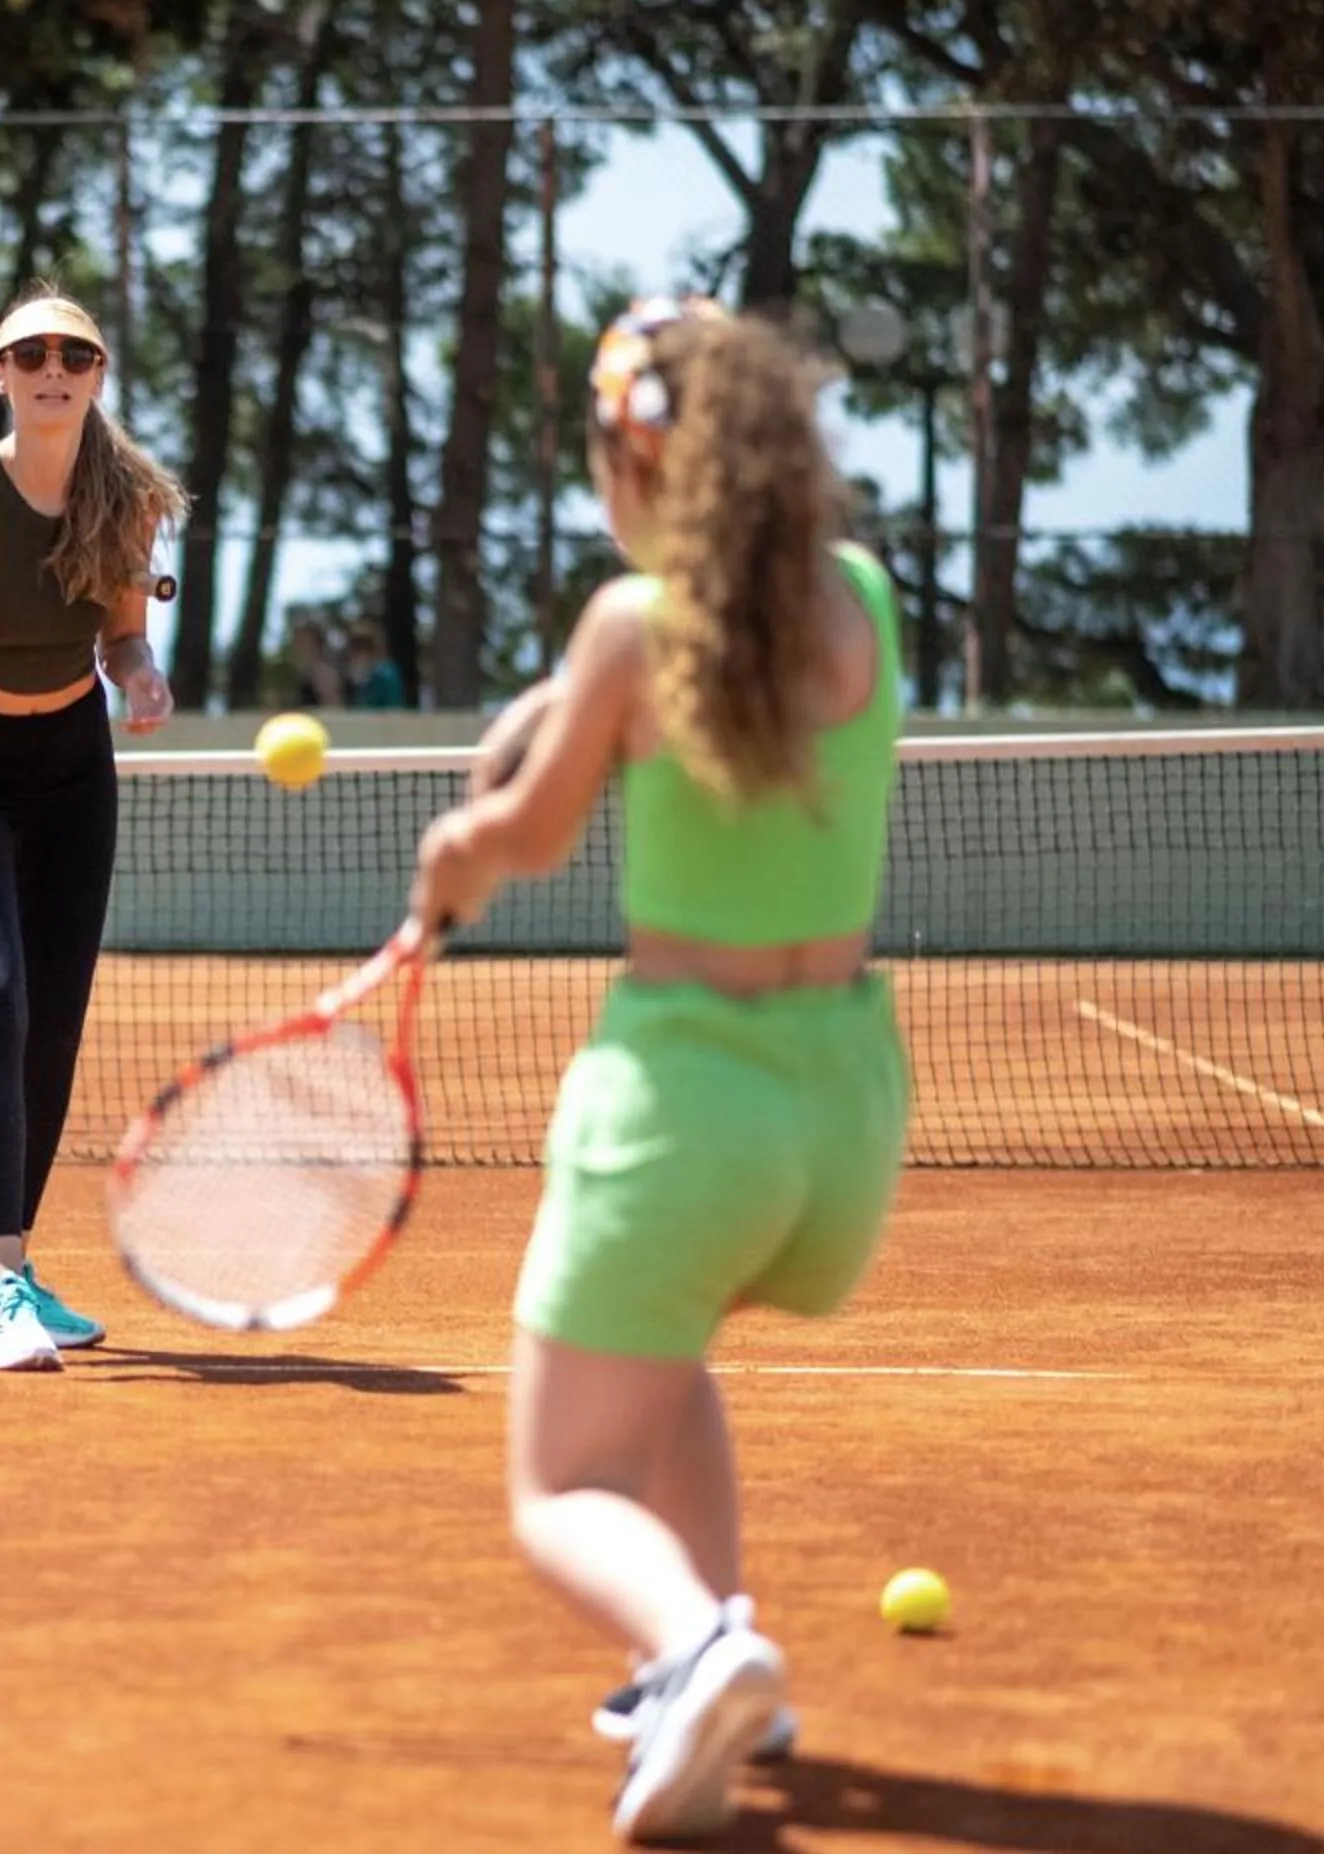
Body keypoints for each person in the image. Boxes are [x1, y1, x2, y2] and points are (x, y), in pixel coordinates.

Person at [408, 295, 907, 1844]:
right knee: (668, 1344)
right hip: (842, 1116)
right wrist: (570, 707)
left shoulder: (630, 629)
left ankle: (698, 1649)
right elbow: (691, 671)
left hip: (689, 1104)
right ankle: (699, 1639)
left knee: (556, 1487)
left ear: (636, 467)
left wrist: (451, 853)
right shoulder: (864, 602)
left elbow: (523, 842)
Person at [0, 286, 184, 1372]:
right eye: (31, 352)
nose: (52, 366)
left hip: (73, 772)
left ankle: (2, 1277)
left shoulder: (128, 505)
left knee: (53, 1028)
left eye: (75, 352)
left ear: (99, 375)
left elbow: (119, 645)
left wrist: (142, 674)